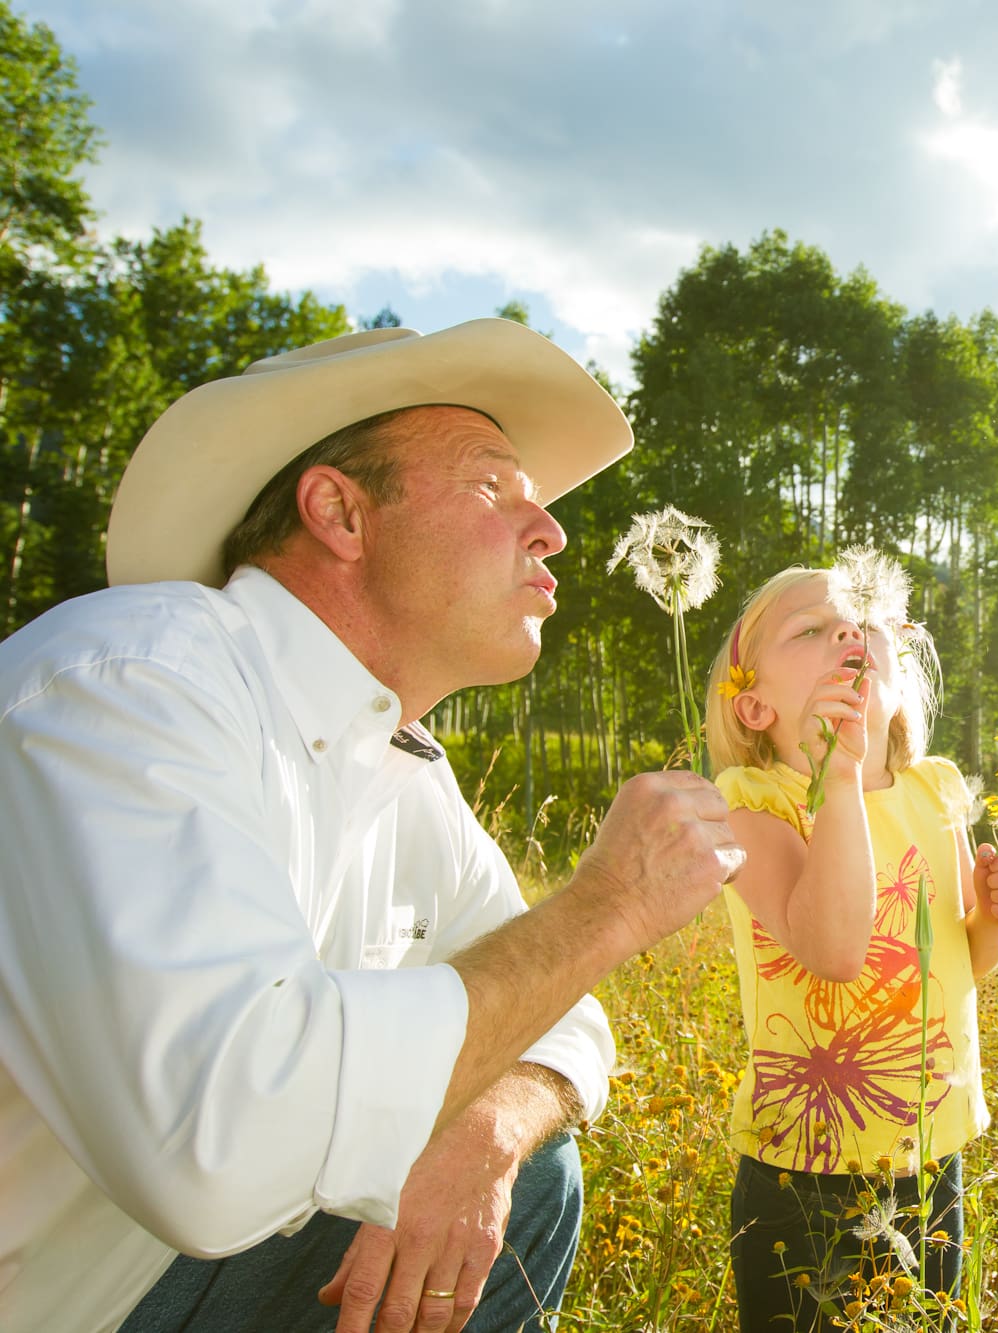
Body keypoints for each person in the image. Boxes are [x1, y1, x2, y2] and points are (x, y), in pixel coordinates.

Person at [0, 319, 744, 1333]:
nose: (553, 529)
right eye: (494, 485)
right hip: (60, 1300)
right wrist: (608, 905)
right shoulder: (131, 686)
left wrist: (484, 1125)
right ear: (340, 513)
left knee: (524, 1164)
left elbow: (566, 1025)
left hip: (172, 1277)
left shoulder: (396, 763)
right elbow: (220, 1156)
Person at [701, 562, 998, 1330]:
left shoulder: (934, 790)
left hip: (932, 1148)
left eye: (866, 623)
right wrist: (839, 778)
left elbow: (964, 960)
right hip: (804, 1167)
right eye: (812, 630)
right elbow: (834, 948)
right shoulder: (753, 807)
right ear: (754, 705)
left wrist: (997, 913)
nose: (850, 633)